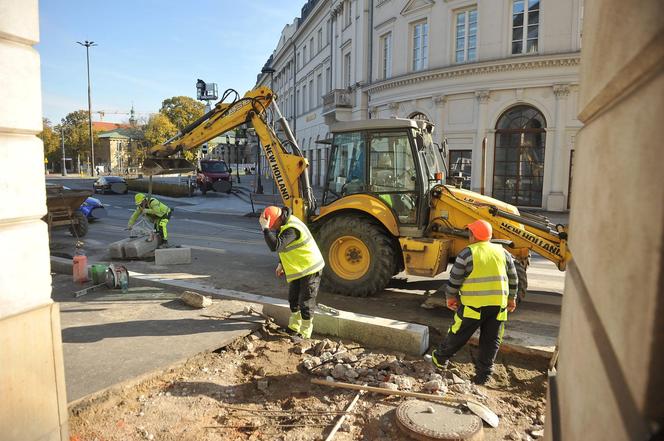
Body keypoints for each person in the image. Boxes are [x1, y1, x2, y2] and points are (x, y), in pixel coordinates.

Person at [429, 219, 518, 385]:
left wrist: (450, 297)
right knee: (491, 341)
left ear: (473, 236)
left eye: (470, 233)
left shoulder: (467, 253)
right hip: (498, 307)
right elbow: (513, 278)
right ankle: (483, 375)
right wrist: (512, 298)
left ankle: (440, 360)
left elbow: (455, 279)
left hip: (473, 307)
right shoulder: (503, 252)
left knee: (458, 334)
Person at [259, 206, 325, 339]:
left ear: (277, 219)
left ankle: (305, 334)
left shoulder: (292, 229)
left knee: (306, 301)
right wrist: (281, 264)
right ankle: (294, 328)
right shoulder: (283, 224)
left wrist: (265, 229)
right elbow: (285, 247)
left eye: (272, 225)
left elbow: (276, 246)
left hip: (310, 267)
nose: (272, 228)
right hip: (298, 268)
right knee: (293, 299)